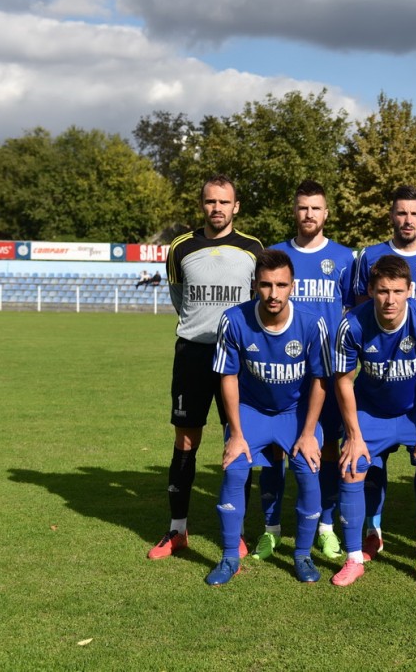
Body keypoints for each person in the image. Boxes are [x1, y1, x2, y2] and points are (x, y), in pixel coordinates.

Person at [148, 174, 263, 560]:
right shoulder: (180, 248)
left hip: (238, 358)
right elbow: (180, 299)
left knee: (238, 443)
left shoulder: (253, 249)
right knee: (185, 443)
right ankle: (176, 530)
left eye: (224, 202)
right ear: (203, 205)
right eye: (211, 202)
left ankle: (238, 531)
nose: (217, 208)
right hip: (193, 355)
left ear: (236, 207)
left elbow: (256, 302)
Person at [205, 249, 331, 585]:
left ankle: (302, 555)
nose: (273, 293)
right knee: (234, 469)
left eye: (280, 285)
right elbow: (228, 377)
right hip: (252, 412)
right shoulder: (233, 320)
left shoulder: (311, 323)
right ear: (254, 285)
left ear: (293, 286)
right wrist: (235, 433)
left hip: (295, 413)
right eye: (265, 285)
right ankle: (230, 557)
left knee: (307, 469)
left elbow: (321, 380)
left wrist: (307, 433)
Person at [330, 255, 416, 589]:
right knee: (352, 465)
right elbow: (343, 380)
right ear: (370, 290)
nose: (390, 299)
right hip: (371, 411)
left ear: (410, 290)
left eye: (398, 291)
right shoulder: (352, 323)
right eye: (383, 291)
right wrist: (354, 435)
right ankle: (354, 558)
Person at [351, 186, 416, 559]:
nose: (407, 220)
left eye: (414, 214)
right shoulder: (369, 256)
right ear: (391, 216)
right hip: (377, 380)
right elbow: (364, 316)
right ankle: (372, 529)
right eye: (400, 213)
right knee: (369, 462)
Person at [267, 180, 356, 561]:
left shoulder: (344, 258)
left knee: (331, 450)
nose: (309, 214)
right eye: (303, 207)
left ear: (326, 213)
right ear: (295, 210)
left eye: (315, 208)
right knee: (275, 449)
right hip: (283, 371)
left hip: (329, 372)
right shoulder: (276, 255)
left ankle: (325, 526)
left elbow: (353, 310)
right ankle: (271, 530)